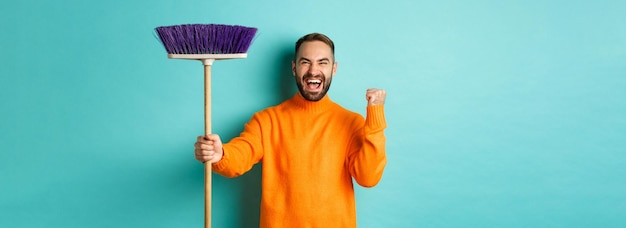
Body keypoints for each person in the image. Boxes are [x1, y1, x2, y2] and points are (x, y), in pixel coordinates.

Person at [194, 33, 387, 228]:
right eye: (305, 62)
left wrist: (375, 120)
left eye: (322, 63)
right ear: (294, 68)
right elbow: (241, 154)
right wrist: (221, 154)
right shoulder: (267, 121)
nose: (313, 71)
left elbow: (368, 177)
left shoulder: (351, 123)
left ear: (333, 69)